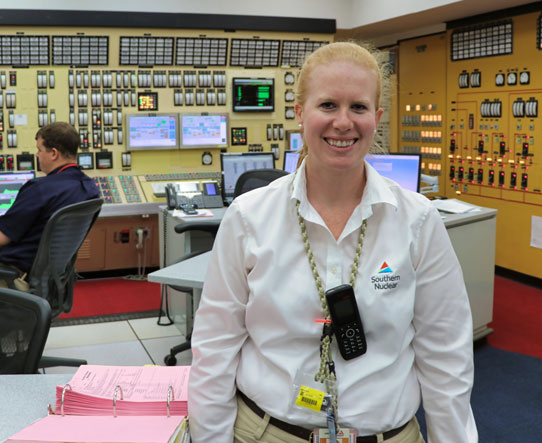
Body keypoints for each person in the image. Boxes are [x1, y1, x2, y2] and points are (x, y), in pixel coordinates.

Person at [188, 42, 477, 443]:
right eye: (327, 105)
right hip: (269, 432)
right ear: (299, 114)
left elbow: (446, 353)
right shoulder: (248, 216)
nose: (343, 122)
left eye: (358, 107)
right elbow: (215, 345)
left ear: (376, 118)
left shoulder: (417, 220)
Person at [0, 122, 100, 290]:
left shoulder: (40, 188)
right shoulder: (90, 188)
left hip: (12, 279)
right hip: (50, 283)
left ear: (54, 153)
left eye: (40, 150)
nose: (37, 155)